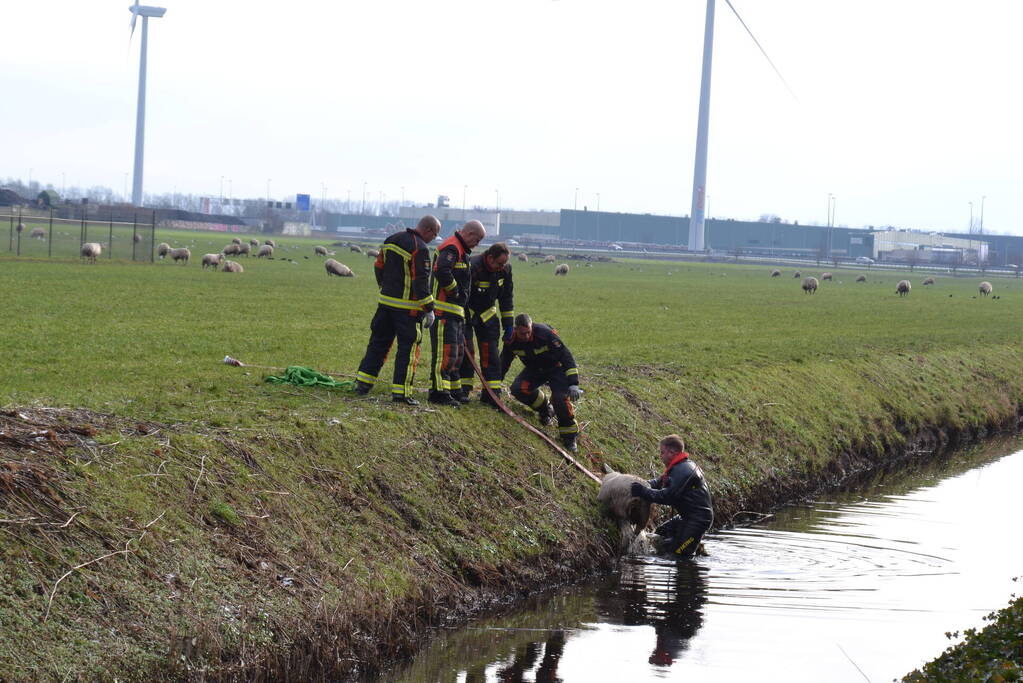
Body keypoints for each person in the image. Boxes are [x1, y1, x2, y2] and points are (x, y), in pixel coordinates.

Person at [354, 215, 440, 405]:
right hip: (408, 311)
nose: (434, 239)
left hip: (385, 305)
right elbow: (420, 281)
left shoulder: (391, 239)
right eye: (435, 235)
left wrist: (384, 287)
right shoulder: (420, 248)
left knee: (377, 345)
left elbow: (378, 266)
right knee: (408, 351)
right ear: (428, 230)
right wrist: (429, 308)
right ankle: (402, 393)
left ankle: (362, 384)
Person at [500, 313, 582, 452]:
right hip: (535, 369)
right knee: (518, 389)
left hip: (556, 368)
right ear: (516, 329)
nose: (526, 336)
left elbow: (566, 356)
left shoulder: (545, 334)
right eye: (522, 333)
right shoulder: (511, 340)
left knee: (560, 398)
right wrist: (493, 387)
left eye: (528, 332)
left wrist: (573, 383)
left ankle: (569, 437)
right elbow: (503, 363)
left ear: (531, 327)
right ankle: (546, 409)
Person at [427, 220, 485, 406]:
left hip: (455, 313)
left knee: (456, 354)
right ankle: (438, 392)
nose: (477, 244)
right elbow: (442, 270)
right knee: (444, 354)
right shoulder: (452, 247)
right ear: (469, 233)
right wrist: (456, 292)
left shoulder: (461, 250)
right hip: (444, 312)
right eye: (477, 239)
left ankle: (453, 390)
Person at [630, 435, 713, 559]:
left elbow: (668, 497)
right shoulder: (678, 467)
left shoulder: (683, 470)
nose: (660, 456)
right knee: (660, 533)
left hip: (698, 521)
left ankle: (690, 549)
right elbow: (658, 483)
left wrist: (643, 491)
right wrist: (638, 483)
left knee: (680, 554)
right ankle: (693, 545)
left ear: (672, 452)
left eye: (662, 452)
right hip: (686, 517)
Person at [458, 242, 514, 406]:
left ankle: (491, 394)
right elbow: (461, 295)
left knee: (491, 354)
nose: (501, 267)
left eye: (504, 264)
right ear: (490, 258)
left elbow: (506, 298)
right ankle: (463, 390)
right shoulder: (473, 266)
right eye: (499, 263)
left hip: (488, 315)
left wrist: (508, 325)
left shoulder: (505, 270)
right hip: (467, 314)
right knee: (467, 352)